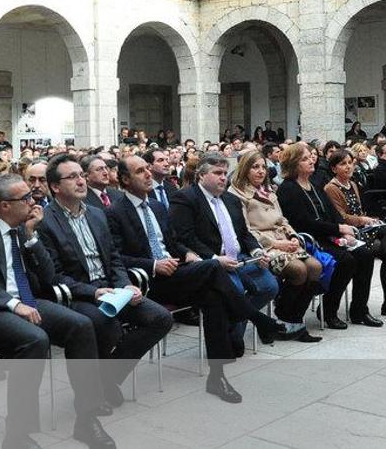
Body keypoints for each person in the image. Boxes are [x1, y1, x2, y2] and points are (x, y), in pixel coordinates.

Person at [0, 174, 117, 449]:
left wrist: (31, 237)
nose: (34, 201)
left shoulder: (23, 229)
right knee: (34, 340)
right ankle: (17, 435)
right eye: (26, 198)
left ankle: (86, 418)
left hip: (30, 301)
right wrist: (13, 304)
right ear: (4, 205)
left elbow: (50, 277)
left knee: (81, 325)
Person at [107, 155, 274, 403]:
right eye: (140, 171)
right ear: (124, 180)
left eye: (147, 169)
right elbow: (116, 257)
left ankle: (217, 376)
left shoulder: (156, 207)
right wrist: (153, 264)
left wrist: (188, 254)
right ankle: (257, 317)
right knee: (214, 269)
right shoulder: (115, 212)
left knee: (213, 296)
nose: (148, 174)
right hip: (147, 280)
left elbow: (174, 242)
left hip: (176, 273)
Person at [38, 154, 173, 407]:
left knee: (160, 318)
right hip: (78, 293)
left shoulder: (97, 215)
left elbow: (114, 258)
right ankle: (96, 390)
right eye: (72, 177)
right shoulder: (45, 222)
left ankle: (105, 378)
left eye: (81, 175)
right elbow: (54, 276)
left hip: (111, 287)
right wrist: (94, 293)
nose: (81, 181)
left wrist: (125, 284)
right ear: (55, 187)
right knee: (106, 323)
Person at [170, 153, 284, 352]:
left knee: (270, 286)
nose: (223, 177)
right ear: (201, 176)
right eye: (217, 173)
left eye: (225, 173)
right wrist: (214, 259)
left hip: (241, 258)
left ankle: (234, 328)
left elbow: (244, 233)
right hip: (212, 262)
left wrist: (257, 250)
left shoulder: (230, 199)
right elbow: (186, 238)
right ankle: (234, 335)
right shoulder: (186, 198)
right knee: (236, 292)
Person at [275, 143, 375, 328]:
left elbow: (331, 212)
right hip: (310, 239)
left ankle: (359, 310)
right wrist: (338, 230)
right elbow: (303, 223)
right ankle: (328, 311)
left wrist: (344, 228)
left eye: (310, 157)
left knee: (365, 254)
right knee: (346, 261)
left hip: (327, 235)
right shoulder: (288, 189)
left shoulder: (314, 185)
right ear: (294, 164)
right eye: (305, 159)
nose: (312, 160)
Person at [228, 150, 323, 342]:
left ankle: (292, 319)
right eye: (255, 167)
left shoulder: (269, 190)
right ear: (245, 169)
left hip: (284, 240)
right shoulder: (237, 193)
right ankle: (285, 316)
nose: (261, 171)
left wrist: (293, 235)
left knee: (315, 267)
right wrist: (275, 243)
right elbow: (246, 231)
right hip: (263, 246)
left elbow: (282, 219)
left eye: (263, 167)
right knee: (298, 271)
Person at [325, 149, 386, 319]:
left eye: (350, 163)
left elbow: (359, 210)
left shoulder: (352, 184)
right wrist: (364, 220)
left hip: (361, 229)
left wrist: (369, 220)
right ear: (333, 168)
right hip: (349, 232)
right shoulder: (331, 188)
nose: (348, 167)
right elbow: (341, 217)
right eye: (342, 164)